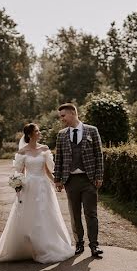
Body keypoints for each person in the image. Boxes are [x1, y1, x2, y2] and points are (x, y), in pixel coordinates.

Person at [0, 123, 74, 263]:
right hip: (29, 187)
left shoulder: (44, 149)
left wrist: (57, 183)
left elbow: (47, 171)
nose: (39, 132)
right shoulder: (22, 152)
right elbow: (20, 172)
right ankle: (28, 247)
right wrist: (18, 184)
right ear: (30, 134)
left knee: (45, 214)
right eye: (37, 131)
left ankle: (46, 246)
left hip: (43, 186)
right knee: (30, 215)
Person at [53, 103, 104, 258]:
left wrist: (99, 176)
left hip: (89, 179)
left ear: (73, 113)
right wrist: (58, 179)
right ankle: (79, 244)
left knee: (91, 213)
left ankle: (94, 245)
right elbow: (59, 158)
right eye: (60, 116)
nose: (62, 119)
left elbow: (99, 155)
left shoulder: (92, 130)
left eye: (63, 116)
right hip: (71, 181)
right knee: (75, 214)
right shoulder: (61, 134)